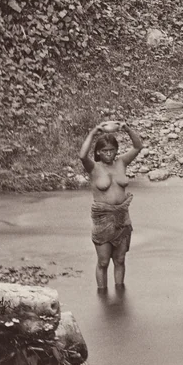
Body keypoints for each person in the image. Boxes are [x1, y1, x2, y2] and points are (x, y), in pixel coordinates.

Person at [80, 121, 143, 291]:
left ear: (116, 151)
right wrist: (94, 132)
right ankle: (102, 295)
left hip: (122, 218)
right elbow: (82, 156)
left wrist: (127, 129)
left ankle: (120, 293)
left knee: (120, 259)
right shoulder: (94, 168)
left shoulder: (121, 163)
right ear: (98, 152)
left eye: (112, 150)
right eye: (104, 151)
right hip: (103, 219)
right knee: (103, 261)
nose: (108, 154)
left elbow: (138, 147)